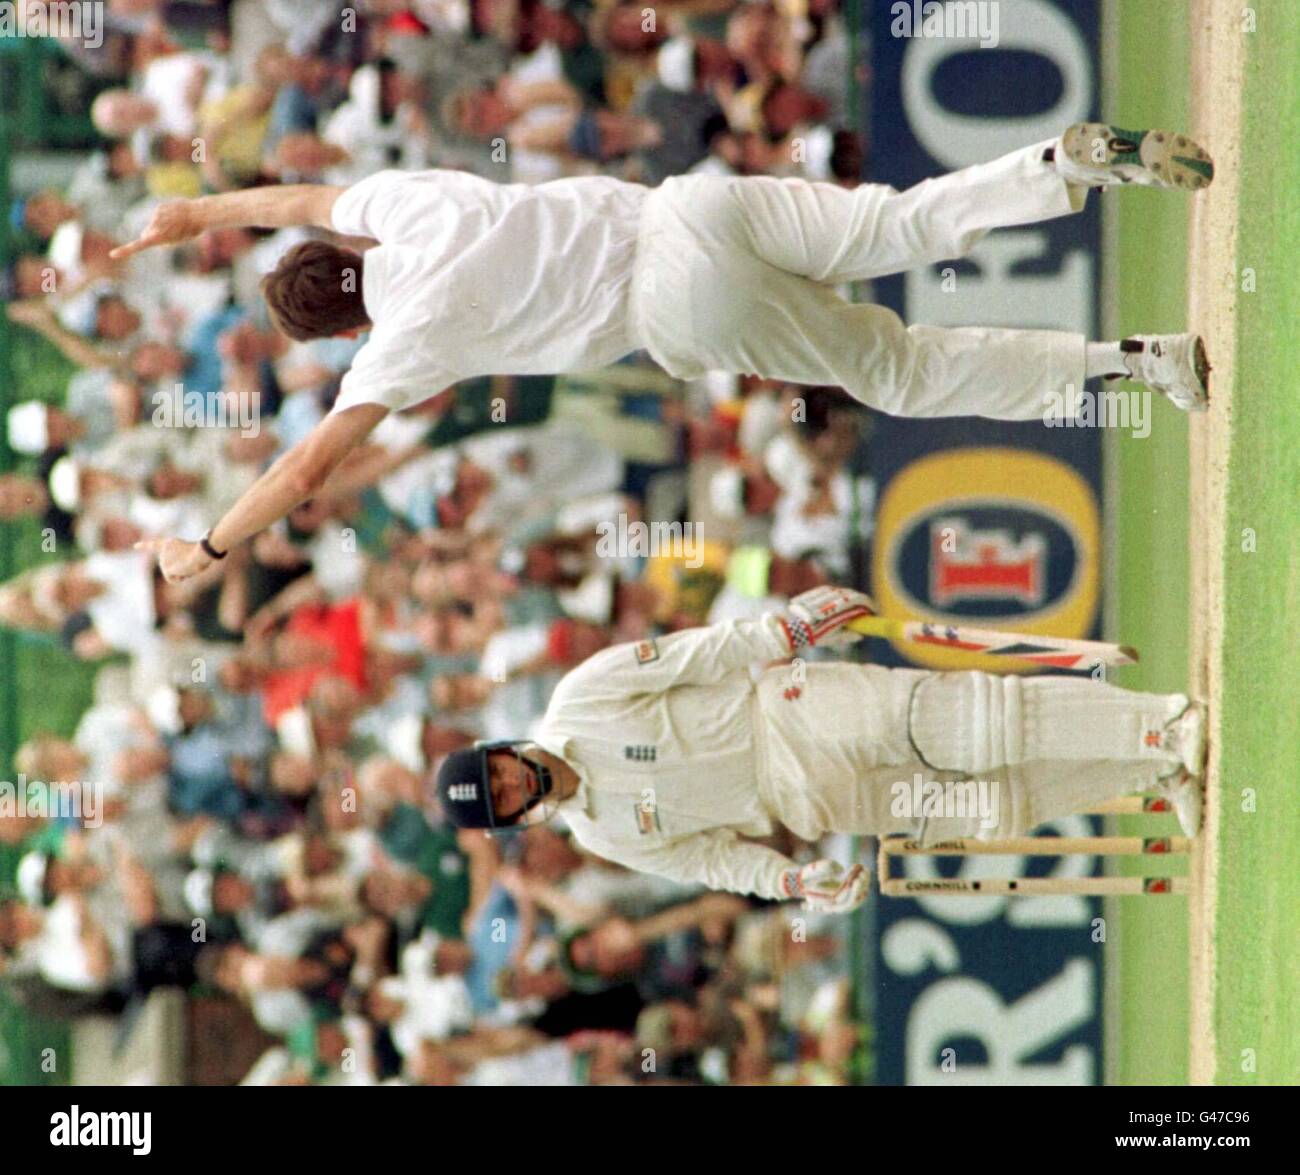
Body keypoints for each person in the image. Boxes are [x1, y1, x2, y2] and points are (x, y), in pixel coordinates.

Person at [110, 122, 1214, 585]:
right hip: (689, 206)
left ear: (339, 327)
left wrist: (207, 543)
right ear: (339, 252)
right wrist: (199, 210)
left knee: (898, 371)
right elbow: (303, 191)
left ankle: (1143, 363)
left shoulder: (398, 341)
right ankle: (1059, 163)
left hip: (670, 307)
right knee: (893, 222)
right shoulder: (399, 205)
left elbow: (305, 472)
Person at [434, 586, 1206, 914]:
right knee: (994, 803)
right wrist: (797, 880)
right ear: (513, 819)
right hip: (804, 801)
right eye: (499, 797)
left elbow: (694, 656)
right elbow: (711, 862)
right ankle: (1155, 766)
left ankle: (1162, 722)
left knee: (977, 723)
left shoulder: (580, 695)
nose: (509, 783)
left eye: (494, 771)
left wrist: (786, 631)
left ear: (497, 747)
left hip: (793, 714)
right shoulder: (599, 832)